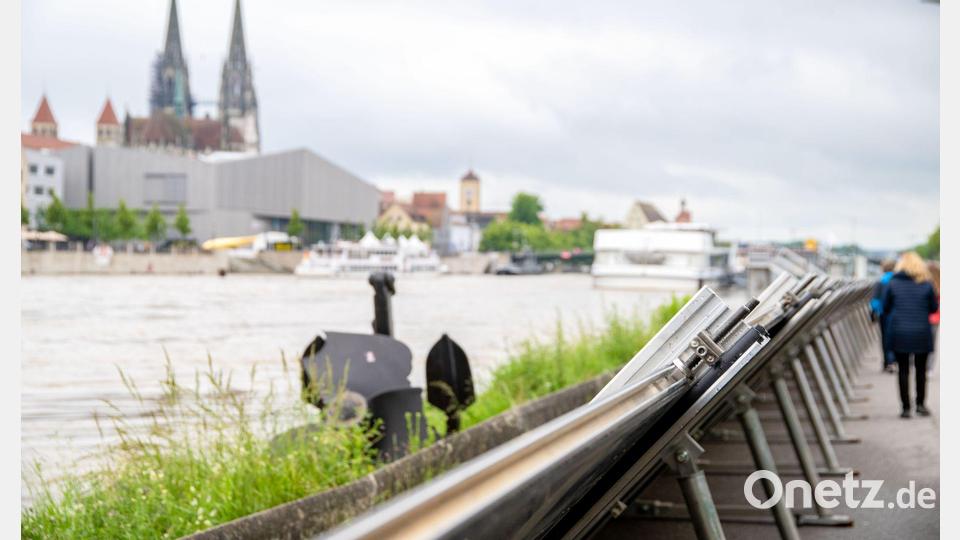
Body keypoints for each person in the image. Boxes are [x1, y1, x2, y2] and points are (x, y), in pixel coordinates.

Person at [882, 252, 938, 418]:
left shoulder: (892, 283)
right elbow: (933, 308)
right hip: (921, 331)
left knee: (903, 370)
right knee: (921, 370)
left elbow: (886, 308)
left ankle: (906, 408)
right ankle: (920, 405)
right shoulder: (927, 284)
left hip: (900, 332)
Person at [870, 259, 897, 372]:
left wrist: (874, 313)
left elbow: (875, 301)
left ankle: (887, 362)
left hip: (884, 314)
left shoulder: (881, 281)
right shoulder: (897, 280)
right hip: (897, 313)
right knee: (896, 337)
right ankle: (895, 360)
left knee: (885, 338)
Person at [927, 261, 940, 373]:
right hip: (935, 318)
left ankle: (920, 364)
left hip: (922, 317)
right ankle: (929, 368)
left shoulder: (924, 284)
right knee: (932, 343)